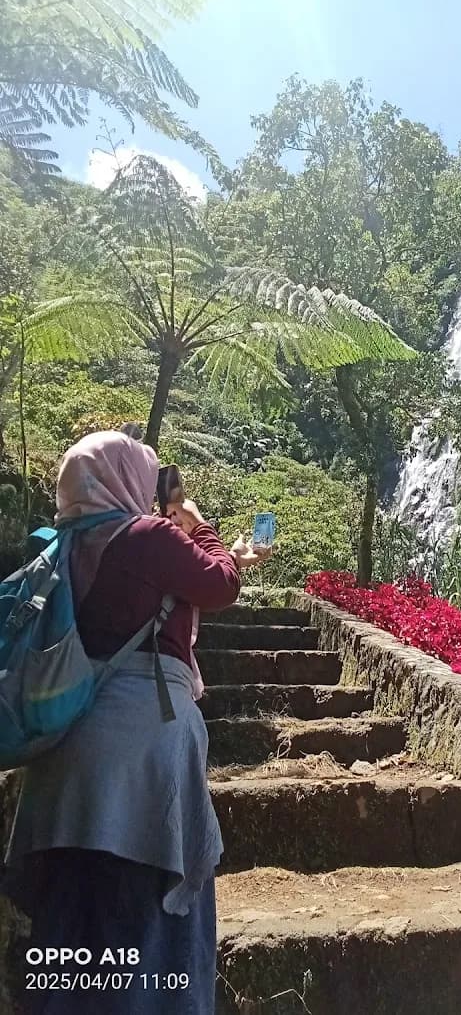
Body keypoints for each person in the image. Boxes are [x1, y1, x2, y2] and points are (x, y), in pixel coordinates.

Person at [2, 430, 269, 1014]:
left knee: (72, 928)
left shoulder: (56, 546)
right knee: (146, 935)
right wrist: (200, 526)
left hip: (64, 757)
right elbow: (220, 583)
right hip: (140, 766)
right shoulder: (147, 535)